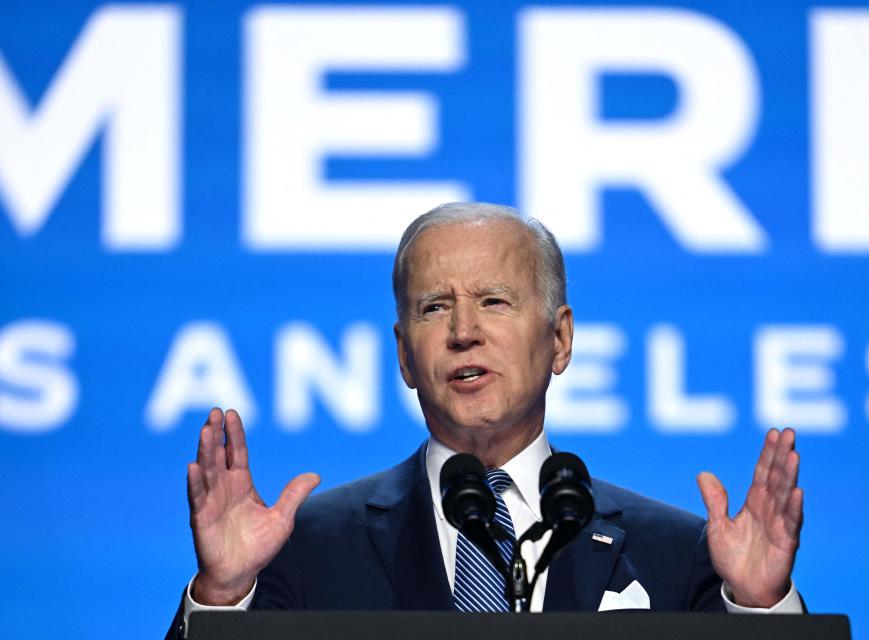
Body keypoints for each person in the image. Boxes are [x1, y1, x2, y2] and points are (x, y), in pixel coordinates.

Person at [166, 203, 804, 639]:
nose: (463, 332)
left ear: (559, 339)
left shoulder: (675, 554)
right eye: (434, 307)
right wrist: (222, 597)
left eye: (494, 302)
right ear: (404, 356)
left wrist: (761, 610)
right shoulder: (304, 547)